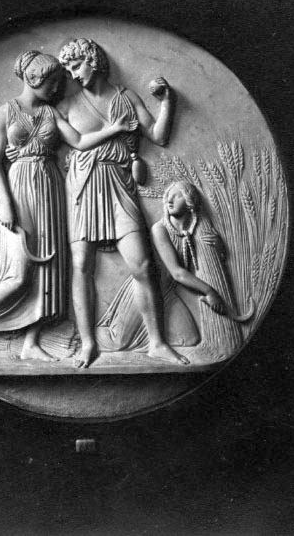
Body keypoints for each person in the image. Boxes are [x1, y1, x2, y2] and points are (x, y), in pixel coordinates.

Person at [0, 50, 134, 365]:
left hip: (51, 189)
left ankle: (31, 342)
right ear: (33, 77)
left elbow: (79, 141)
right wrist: (5, 203)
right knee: (18, 273)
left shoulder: (51, 113)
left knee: (48, 271)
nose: (57, 88)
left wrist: (115, 128)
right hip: (20, 189)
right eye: (52, 81)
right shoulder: (5, 113)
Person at [57, 38, 189, 367]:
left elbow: (158, 136)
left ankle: (157, 342)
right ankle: (88, 344)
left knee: (142, 264)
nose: (73, 75)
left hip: (118, 183)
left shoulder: (126, 98)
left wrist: (168, 101)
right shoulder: (67, 104)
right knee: (81, 265)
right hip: (83, 187)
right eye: (68, 70)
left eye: (76, 66)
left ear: (93, 61)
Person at [97, 181, 242, 355]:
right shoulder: (160, 229)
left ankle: (151, 343)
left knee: (189, 339)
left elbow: (211, 260)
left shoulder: (194, 228)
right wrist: (210, 292)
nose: (170, 200)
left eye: (177, 196)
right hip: (146, 292)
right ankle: (84, 336)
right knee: (118, 342)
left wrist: (219, 247)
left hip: (167, 293)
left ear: (190, 201)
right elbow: (177, 273)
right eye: (168, 197)